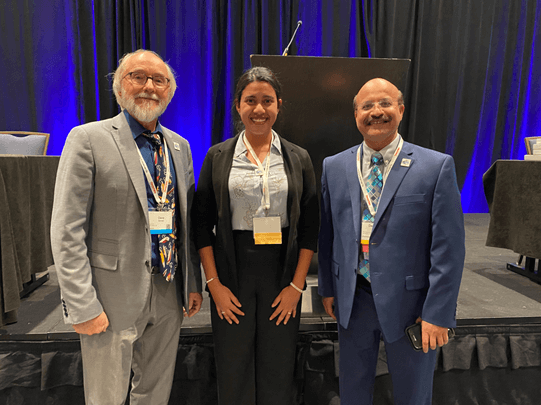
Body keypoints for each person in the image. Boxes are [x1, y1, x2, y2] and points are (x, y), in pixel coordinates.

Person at [50, 49, 203, 405]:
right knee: (106, 397)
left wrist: (192, 282)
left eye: (159, 80)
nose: (150, 87)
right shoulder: (87, 139)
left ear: (170, 91)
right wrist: (81, 304)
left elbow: (186, 224)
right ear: (120, 87)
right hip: (109, 294)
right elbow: (66, 229)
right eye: (138, 77)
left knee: (154, 392)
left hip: (168, 291)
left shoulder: (180, 147)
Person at [318, 78, 465, 405]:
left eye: (384, 103)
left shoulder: (435, 166)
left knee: (413, 396)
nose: (376, 112)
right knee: (353, 393)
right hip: (353, 300)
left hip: (411, 307)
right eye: (366, 106)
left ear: (400, 109)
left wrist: (438, 312)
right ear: (355, 114)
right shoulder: (334, 166)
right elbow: (328, 234)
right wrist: (328, 288)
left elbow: (449, 249)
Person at [193, 66, 319, 405]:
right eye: (251, 100)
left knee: (278, 367)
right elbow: (201, 225)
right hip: (232, 270)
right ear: (238, 106)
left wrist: (296, 287)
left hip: (282, 271)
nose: (259, 109)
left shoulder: (298, 158)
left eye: (267, 100)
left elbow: (310, 228)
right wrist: (214, 285)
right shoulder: (218, 156)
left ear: (279, 105)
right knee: (233, 366)